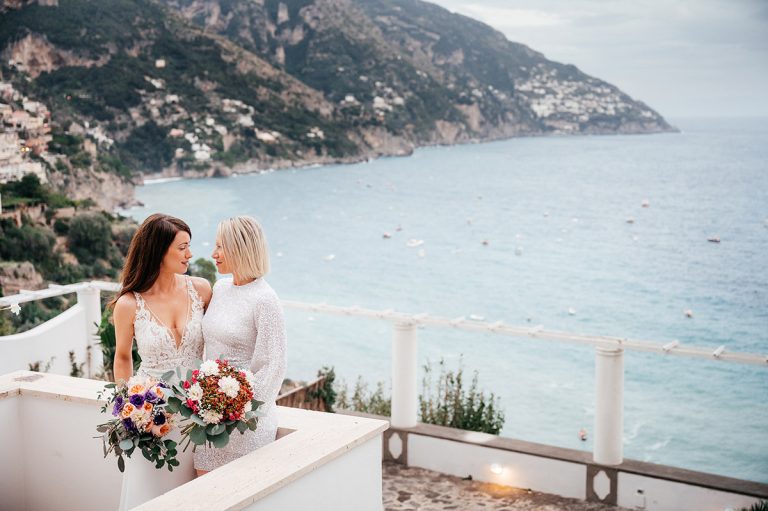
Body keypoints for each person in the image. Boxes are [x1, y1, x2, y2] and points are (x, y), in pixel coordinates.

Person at [112, 213, 212, 510]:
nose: (189, 254)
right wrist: (129, 411)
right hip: (153, 418)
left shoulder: (202, 290)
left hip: (199, 417)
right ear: (159, 250)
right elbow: (122, 357)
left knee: (196, 495)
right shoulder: (129, 303)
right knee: (153, 494)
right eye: (182, 247)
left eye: (189, 246)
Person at [194, 215, 287, 475]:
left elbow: (275, 364)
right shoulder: (220, 288)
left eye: (220, 246)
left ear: (240, 248)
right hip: (209, 417)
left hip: (245, 424)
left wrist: (242, 412)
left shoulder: (265, 300)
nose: (214, 253)